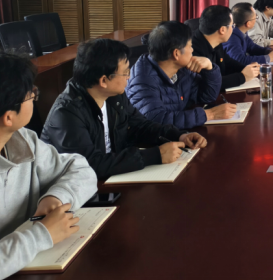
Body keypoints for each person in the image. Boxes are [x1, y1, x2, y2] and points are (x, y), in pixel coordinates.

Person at [0, 53, 97, 280]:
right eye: (31, 95)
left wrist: (56, 197)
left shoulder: (22, 139)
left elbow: (81, 169)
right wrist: (41, 235)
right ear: (8, 117)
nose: (34, 96)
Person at [41, 39, 208, 181]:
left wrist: (179, 135)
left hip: (113, 176)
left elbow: (141, 126)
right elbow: (89, 164)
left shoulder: (114, 96)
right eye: (125, 72)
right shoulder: (67, 113)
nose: (129, 76)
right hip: (77, 190)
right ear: (103, 81)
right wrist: (154, 155)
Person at [127, 21, 235, 129]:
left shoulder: (182, 69)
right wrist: (210, 114)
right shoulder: (142, 81)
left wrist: (209, 68)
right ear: (176, 53)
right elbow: (157, 120)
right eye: (190, 46)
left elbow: (207, 96)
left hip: (179, 133)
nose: (192, 50)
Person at [191, 5, 260, 91]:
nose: (233, 29)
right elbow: (208, 83)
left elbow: (228, 62)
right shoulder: (192, 50)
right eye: (232, 26)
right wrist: (243, 76)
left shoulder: (216, 41)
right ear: (222, 30)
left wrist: (249, 69)